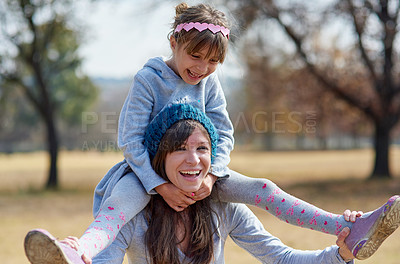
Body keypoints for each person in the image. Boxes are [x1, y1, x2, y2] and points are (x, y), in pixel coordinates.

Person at [24, 2, 400, 264]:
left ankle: (348, 227)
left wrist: (214, 173)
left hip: (203, 172)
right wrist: (157, 185)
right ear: (174, 42)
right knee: (117, 208)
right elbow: (130, 140)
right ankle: (78, 252)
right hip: (144, 172)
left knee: (264, 189)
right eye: (196, 56)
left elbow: (223, 131)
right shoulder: (149, 78)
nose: (202, 68)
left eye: (213, 61)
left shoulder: (209, 82)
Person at [59, 104, 359, 264]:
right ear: (159, 158)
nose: (193, 160)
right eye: (179, 149)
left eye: (202, 148)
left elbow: (282, 259)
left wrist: (341, 255)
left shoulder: (224, 210)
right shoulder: (135, 214)